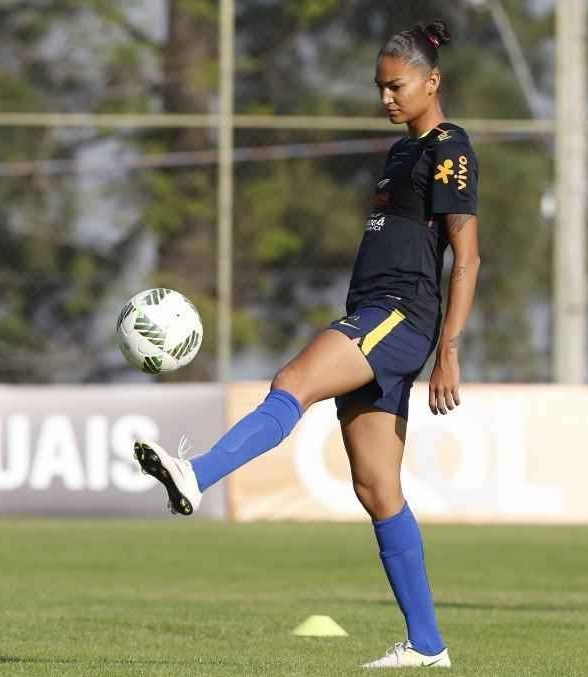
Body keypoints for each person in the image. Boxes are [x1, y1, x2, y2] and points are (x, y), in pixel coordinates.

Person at [134, 19, 479, 670]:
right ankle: (428, 646)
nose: (385, 97)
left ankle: (195, 473)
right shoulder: (400, 153)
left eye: (396, 86)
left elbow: (467, 256)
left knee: (292, 380)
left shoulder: (449, 146)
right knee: (377, 488)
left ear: (432, 83)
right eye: (379, 87)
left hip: (399, 314)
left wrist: (450, 347)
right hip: (372, 312)